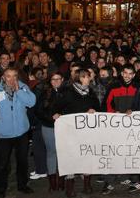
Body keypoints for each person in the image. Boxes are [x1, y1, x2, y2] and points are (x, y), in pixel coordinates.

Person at [0, 68, 36, 198]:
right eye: (8, 76)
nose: (12, 79)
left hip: (21, 133)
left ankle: (22, 185)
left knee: (22, 161)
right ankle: (1, 189)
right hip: (4, 135)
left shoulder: (23, 88)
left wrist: (18, 91)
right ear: (3, 77)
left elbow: (31, 102)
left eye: (14, 76)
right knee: (2, 164)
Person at [52, 69, 100, 197]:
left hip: (86, 132)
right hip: (71, 132)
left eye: (88, 77)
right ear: (79, 78)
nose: (88, 79)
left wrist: (93, 110)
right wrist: (56, 114)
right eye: (85, 77)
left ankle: (87, 184)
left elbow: (98, 107)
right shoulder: (69, 92)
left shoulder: (91, 92)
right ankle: (70, 187)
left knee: (87, 155)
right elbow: (56, 106)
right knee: (71, 157)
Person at [35, 72, 65, 192]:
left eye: (58, 79)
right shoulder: (45, 94)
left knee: (63, 153)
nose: (56, 81)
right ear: (50, 81)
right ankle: (52, 181)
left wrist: (63, 115)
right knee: (51, 152)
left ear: (62, 79)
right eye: (53, 79)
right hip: (49, 126)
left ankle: (62, 179)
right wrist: (50, 117)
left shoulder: (68, 93)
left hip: (65, 128)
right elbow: (38, 111)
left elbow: (73, 108)